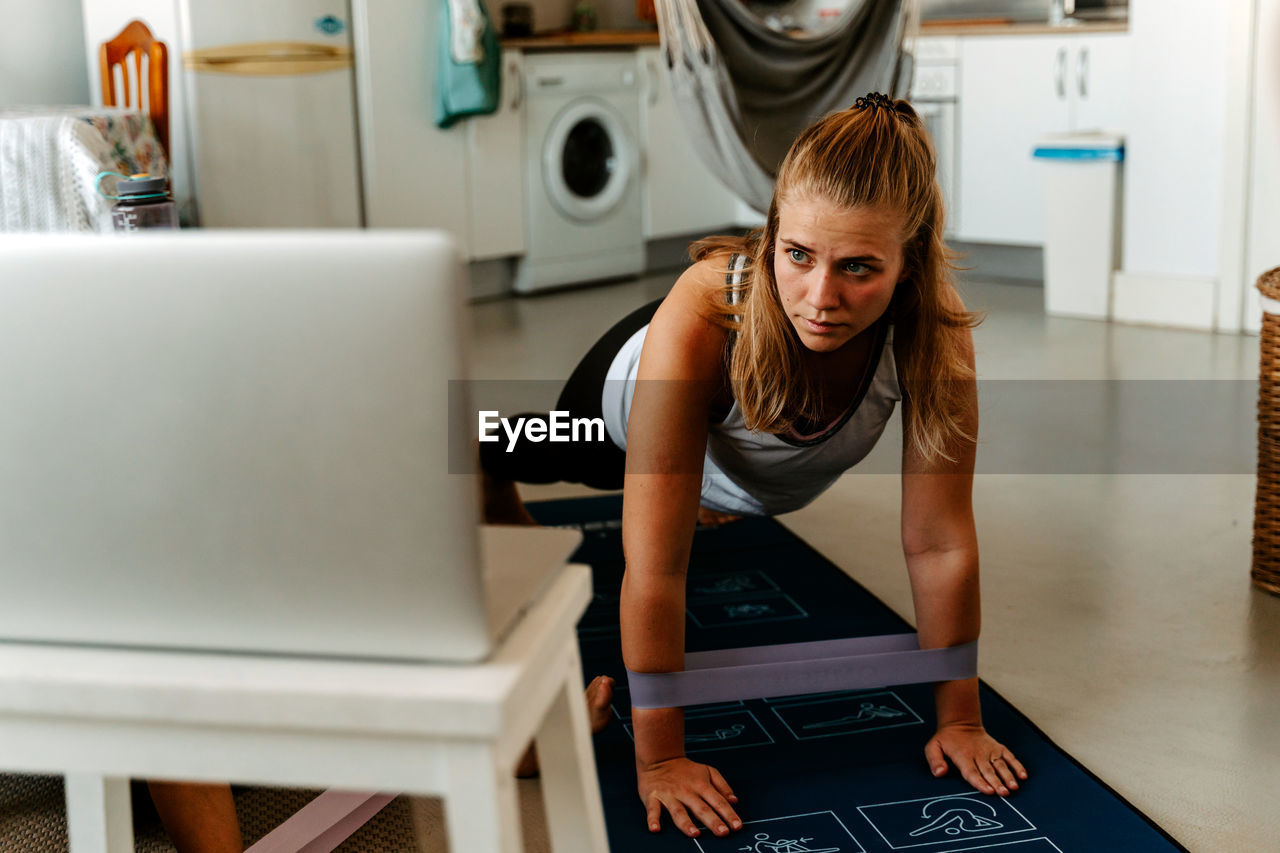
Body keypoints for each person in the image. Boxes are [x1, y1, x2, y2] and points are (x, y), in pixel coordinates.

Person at [482, 92, 1029, 840]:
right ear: (771, 234)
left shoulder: (935, 334)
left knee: (695, 498)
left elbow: (939, 540)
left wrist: (961, 718)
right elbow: (656, 564)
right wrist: (660, 758)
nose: (821, 298)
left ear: (909, 263)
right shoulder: (707, 307)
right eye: (798, 255)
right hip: (623, 403)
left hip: (726, 463)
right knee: (497, 452)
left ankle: (706, 489)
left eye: (860, 267)